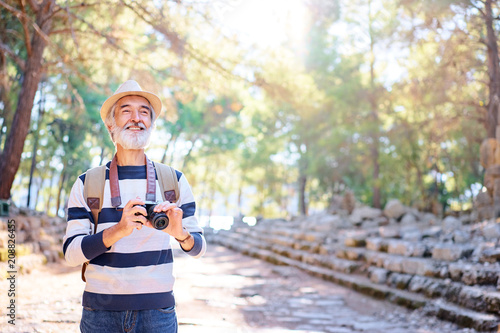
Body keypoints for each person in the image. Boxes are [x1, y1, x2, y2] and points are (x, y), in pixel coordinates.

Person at [62, 80, 206, 333]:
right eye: (126, 110)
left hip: (157, 313)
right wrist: (119, 229)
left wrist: (179, 233)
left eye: (144, 111)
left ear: (151, 124)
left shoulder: (173, 180)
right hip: (100, 314)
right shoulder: (88, 183)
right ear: (111, 124)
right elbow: (71, 254)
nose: (136, 118)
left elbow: (199, 248)